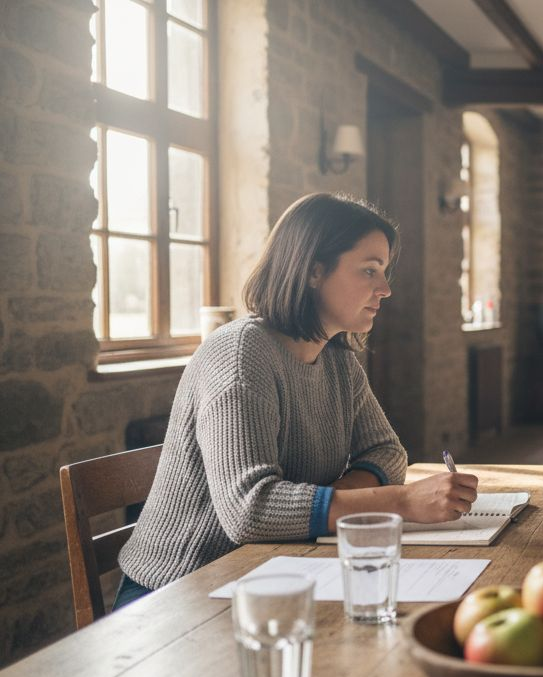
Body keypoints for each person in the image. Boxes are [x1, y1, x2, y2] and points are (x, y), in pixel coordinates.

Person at [115, 193, 479, 607]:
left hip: (277, 570)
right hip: (181, 591)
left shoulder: (338, 360)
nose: (385, 289)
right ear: (312, 272)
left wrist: (336, 504)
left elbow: (387, 452)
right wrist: (399, 502)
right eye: (369, 271)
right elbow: (249, 511)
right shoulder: (240, 355)